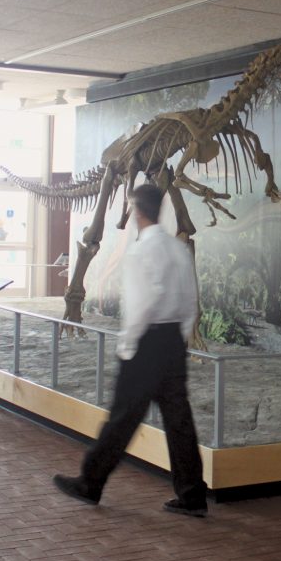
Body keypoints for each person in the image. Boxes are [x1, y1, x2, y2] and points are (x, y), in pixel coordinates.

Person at [53, 183, 208, 517]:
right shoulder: (177, 249)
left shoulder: (141, 251)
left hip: (147, 343)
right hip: (171, 342)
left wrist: (128, 345)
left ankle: (90, 482)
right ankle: (193, 493)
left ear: (137, 211)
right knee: (179, 420)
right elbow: (189, 301)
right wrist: (177, 337)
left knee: (122, 417)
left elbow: (141, 305)